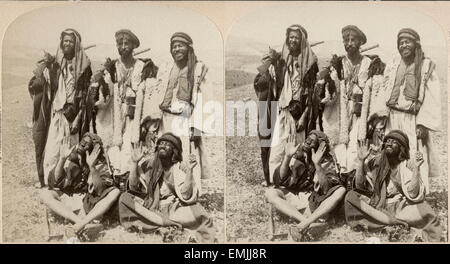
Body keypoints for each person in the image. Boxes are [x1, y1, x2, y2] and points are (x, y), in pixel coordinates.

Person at [369, 28, 442, 193]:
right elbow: (385, 91)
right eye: (400, 43)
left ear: (416, 44)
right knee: (391, 150)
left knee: (413, 152)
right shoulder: (393, 64)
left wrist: (423, 123)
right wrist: (381, 119)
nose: (403, 46)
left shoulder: (425, 66)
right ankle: (393, 186)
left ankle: (416, 188)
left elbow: (431, 98)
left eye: (407, 42)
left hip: (412, 119)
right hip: (393, 117)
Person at [344, 130, 442, 241]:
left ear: (402, 148)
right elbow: (359, 186)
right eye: (388, 141)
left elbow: (413, 194)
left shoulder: (406, 165)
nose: (389, 143)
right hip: (375, 206)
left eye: (394, 142)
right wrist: (361, 161)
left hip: (398, 208)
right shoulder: (375, 162)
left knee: (425, 209)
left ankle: (385, 222)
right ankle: (392, 222)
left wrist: (416, 169)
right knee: (350, 197)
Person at [118, 133, 215, 243]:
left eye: (167, 144)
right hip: (149, 208)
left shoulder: (179, 167)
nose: (163, 146)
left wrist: (189, 171)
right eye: (161, 143)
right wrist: (135, 163)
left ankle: (158, 224)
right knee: (124, 198)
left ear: (174, 150)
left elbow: (186, 196)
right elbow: (133, 187)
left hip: (172, 210)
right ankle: (167, 224)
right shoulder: (148, 164)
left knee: (198, 211)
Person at [254, 24, 320, 186]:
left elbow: (311, 94)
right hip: (283, 111)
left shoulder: (310, 63)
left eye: (297, 37)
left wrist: (305, 116)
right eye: (291, 37)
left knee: (298, 148)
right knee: (277, 147)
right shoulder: (281, 61)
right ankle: (274, 178)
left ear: (302, 40)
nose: (293, 40)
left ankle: (296, 179)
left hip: (300, 113)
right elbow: (270, 84)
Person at [28, 28, 93, 188]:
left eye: (71, 41)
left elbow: (84, 96)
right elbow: (46, 86)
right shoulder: (56, 64)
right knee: (52, 149)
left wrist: (78, 118)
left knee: (71, 150)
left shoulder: (84, 66)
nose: (67, 43)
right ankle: (49, 180)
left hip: (74, 116)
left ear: (76, 43)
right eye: (65, 40)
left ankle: (68, 181)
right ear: (61, 42)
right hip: (57, 114)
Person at [90, 29, 158, 176]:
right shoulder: (113, 67)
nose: (123, 47)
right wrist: (100, 80)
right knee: (113, 145)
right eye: (119, 43)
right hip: (115, 112)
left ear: (134, 46)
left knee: (130, 146)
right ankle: (115, 176)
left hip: (134, 113)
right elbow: (105, 93)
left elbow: (149, 93)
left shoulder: (142, 67)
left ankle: (128, 178)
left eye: (126, 43)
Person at [319, 25, 385, 174]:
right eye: (345, 40)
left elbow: (376, 90)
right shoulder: (338, 64)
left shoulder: (370, 64)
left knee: (356, 145)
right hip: (340, 111)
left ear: (360, 42)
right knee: (339, 145)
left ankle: (355, 179)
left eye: (353, 40)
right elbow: (331, 91)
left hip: (360, 112)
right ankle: (340, 177)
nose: (349, 43)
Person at [265, 130, 346, 241]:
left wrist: (317, 164)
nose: (307, 142)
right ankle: (306, 222)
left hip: (314, 202)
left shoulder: (327, 160)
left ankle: (305, 223)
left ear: (319, 147)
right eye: (308, 139)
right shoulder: (299, 155)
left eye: (312, 141)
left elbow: (327, 189)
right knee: (270, 193)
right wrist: (287, 157)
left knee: (340, 190)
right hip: (296, 197)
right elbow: (281, 180)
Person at [40, 133, 120, 239]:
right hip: (73, 200)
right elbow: (56, 182)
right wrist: (62, 159)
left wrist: (92, 167)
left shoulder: (101, 164)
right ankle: (80, 222)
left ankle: (81, 224)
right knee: (45, 194)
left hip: (90, 205)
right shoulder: (75, 157)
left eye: (87, 143)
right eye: (82, 142)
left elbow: (101, 191)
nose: (82, 145)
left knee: (115, 192)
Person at [157, 32, 210, 182]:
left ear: (189, 48)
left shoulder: (199, 69)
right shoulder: (167, 68)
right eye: (174, 46)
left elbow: (203, 99)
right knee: (165, 151)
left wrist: (197, 126)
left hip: (185, 119)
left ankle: (187, 187)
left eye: (180, 45)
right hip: (165, 118)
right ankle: (167, 185)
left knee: (185, 152)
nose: (176, 49)